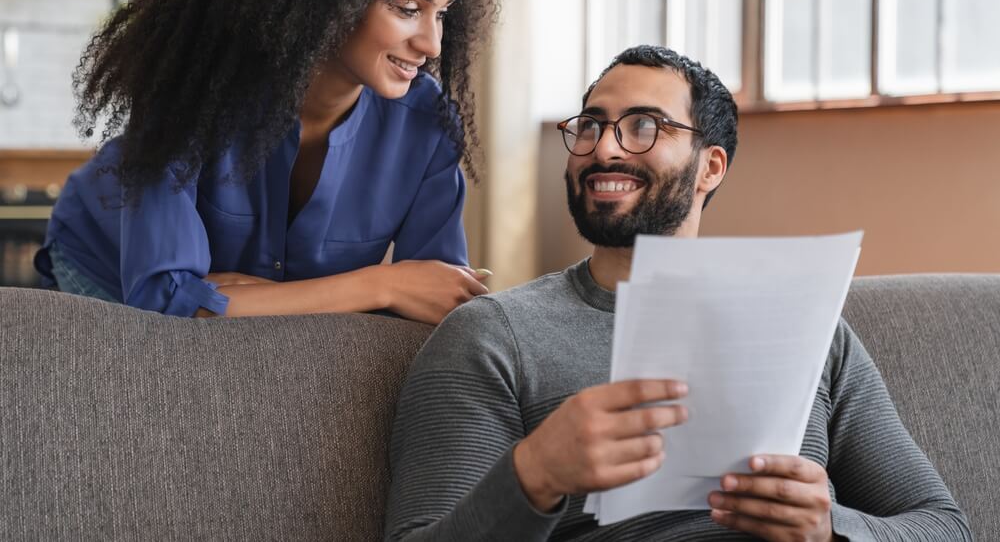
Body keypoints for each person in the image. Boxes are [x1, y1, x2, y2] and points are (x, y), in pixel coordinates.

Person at [384, 45, 971, 540]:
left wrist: (834, 527)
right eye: (591, 125)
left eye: (644, 126)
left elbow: (945, 525)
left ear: (709, 166)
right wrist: (534, 473)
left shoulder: (810, 329)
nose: (605, 148)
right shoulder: (494, 336)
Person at [34, 0, 499, 322]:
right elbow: (161, 301)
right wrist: (383, 285)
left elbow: (441, 298)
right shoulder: (195, 87)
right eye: (408, 8)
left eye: (441, 14)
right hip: (102, 267)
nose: (433, 44)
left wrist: (248, 298)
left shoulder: (427, 124)